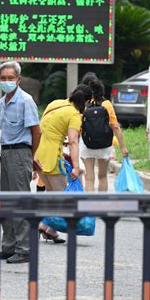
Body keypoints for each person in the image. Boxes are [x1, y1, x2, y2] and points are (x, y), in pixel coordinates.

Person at [0, 61, 41, 264]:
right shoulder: (2, 102)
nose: (7, 81)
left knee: (20, 201)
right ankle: (9, 246)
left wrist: (30, 157)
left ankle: (25, 248)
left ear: (18, 79)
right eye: (3, 78)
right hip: (6, 154)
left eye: (10, 78)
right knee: (6, 201)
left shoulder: (26, 101)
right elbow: (5, 131)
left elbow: (36, 131)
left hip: (21, 154)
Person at [35, 84, 93, 242]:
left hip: (38, 154)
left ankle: (50, 229)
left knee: (51, 192)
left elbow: (45, 128)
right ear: (86, 102)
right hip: (53, 156)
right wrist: (75, 166)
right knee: (62, 196)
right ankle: (44, 224)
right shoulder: (75, 114)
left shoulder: (55, 103)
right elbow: (74, 142)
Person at [80, 73, 129, 192]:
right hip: (104, 145)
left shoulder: (83, 104)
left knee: (89, 178)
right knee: (102, 176)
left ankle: (89, 206)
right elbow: (115, 126)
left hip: (87, 144)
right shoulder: (107, 104)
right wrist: (123, 147)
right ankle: (101, 205)